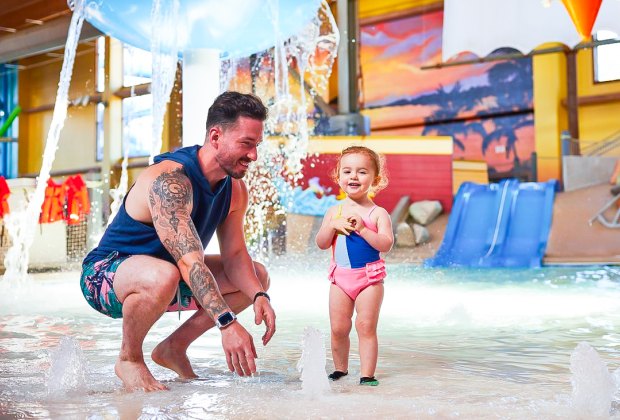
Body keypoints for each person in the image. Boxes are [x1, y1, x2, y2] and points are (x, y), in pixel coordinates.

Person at [80, 91, 276, 392]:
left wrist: (260, 296)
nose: (253, 156)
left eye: (256, 145)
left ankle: (173, 347)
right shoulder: (171, 181)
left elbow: (236, 255)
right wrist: (227, 322)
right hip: (106, 276)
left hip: (166, 277)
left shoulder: (235, 189)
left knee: (257, 276)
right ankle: (129, 359)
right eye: (246, 144)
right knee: (165, 274)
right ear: (215, 136)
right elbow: (189, 261)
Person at [315, 145, 394, 386]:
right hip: (340, 279)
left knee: (365, 325)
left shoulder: (378, 213)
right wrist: (332, 226)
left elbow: (386, 244)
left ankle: (367, 375)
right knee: (338, 327)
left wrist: (362, 228)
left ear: (375, 179)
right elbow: (321, 243)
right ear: (338, 176)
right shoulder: (333, 211)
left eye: (361, 172)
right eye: (347, 171)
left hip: (369, 280)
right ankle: (340, 369)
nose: (353, 177)